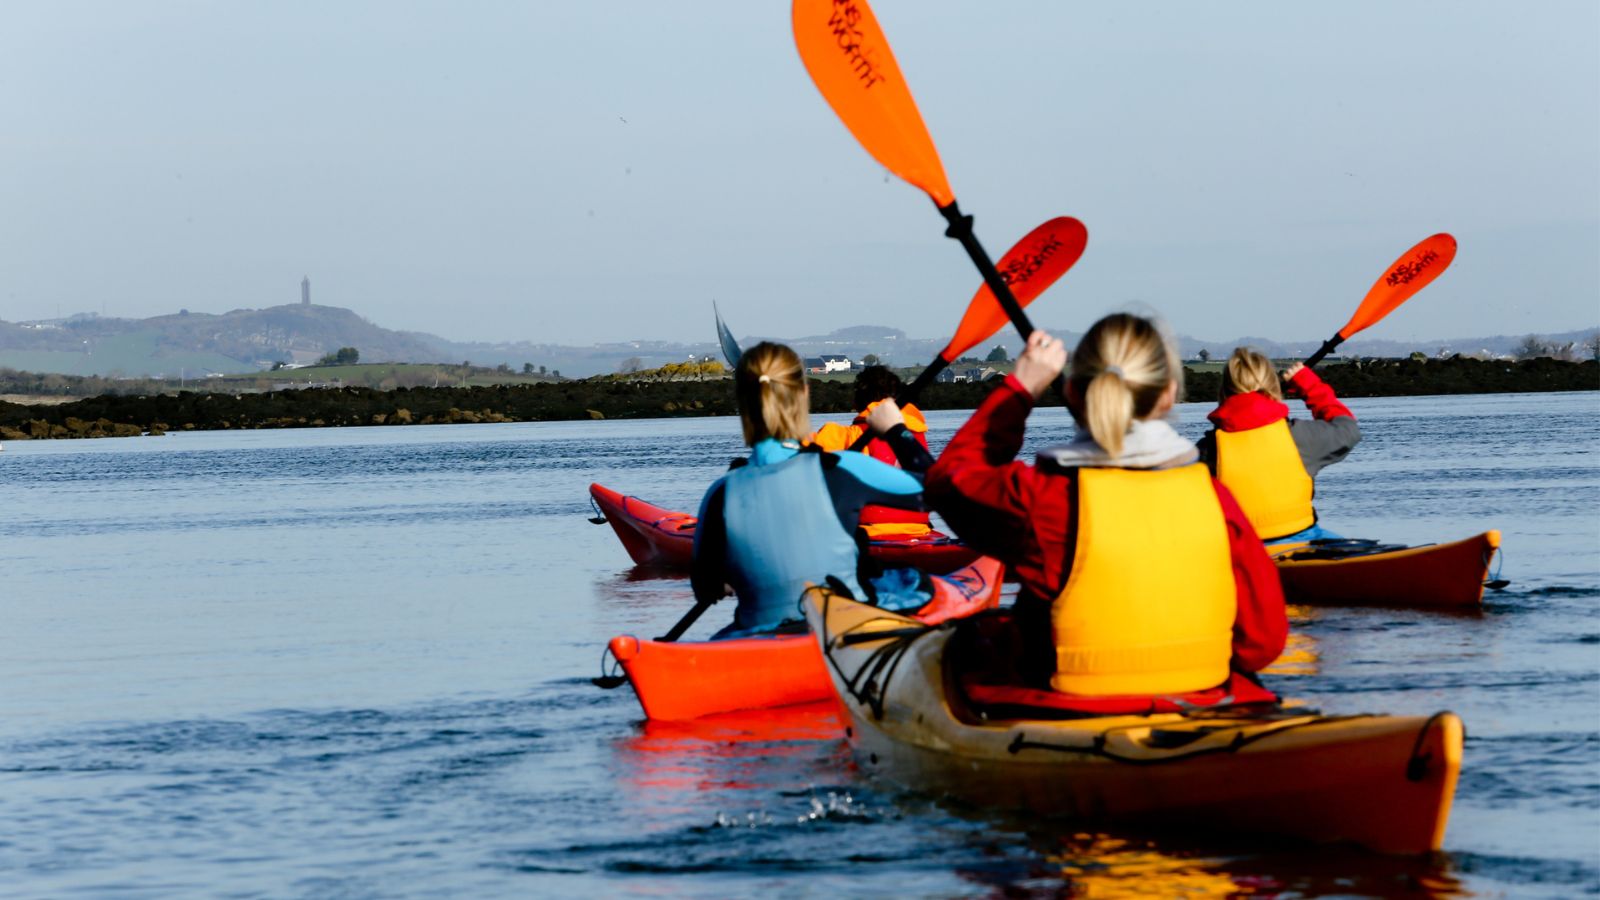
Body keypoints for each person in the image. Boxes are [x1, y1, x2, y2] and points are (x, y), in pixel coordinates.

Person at [925, 314, 1286, 709]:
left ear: (1075, 395)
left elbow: (949, 482)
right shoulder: (1216, 498)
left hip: (1067, 708)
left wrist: (1021, 388)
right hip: (1199, 699)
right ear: (1168, 395)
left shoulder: (1040, 497)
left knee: (971, 641)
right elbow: (1262, 645)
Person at [692, 342, 935, 639]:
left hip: (756, 634)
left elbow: (706, 588)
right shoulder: (842, 469)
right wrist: (897, 431)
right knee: (912, 582)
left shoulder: (720, 493)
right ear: (804, 395)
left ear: (743, 403)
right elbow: (938, 489)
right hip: (842, 635)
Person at [1196, 348, 1360, 544]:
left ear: (1223, 393)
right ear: (1273, 389)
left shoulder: (1205, 451)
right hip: (1303, 539)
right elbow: (1348, 429)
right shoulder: (1297, 436)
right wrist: (1309, 386)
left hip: (1243, 550)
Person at [809, 365, 934, 539]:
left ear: (858, 402)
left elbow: (802, 450)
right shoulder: (915, 434)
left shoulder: (850, 434)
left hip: (870, 531)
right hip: (919, 530)